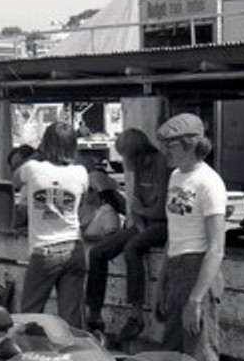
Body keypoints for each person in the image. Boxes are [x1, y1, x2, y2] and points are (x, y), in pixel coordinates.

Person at [154, 112, 226, 361]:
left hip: (198, 269)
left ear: (189, 144)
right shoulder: (176, 177)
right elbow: (175, 232)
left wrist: (196, 299)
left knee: (201, 354)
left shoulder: (209, 182)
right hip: (176, 267)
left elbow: (216, 247)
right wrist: (162, 280)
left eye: (171, 145)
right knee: (172, 351)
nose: (166, 151)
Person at [84, 127, 170, 339]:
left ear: (138, 153)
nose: (123, 161)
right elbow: (134, 205)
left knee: (132, 248)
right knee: (98, 253)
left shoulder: (161, 166)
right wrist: (140, 218)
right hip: (145, 223)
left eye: (125, 155)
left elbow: (161, 211)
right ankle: (94, 313)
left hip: (164, 225)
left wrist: (142, 211)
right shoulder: (138, 169)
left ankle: (136, 314)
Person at [13, 121, 89, 328]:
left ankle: (29, 354)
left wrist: (38, 153)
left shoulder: (32, 168)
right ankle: (73, 356)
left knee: (30, 313)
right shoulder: (81, 172)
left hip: (44, 249)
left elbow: (14, 180)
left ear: (44, 144)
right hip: (74, 245)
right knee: (71, 317)